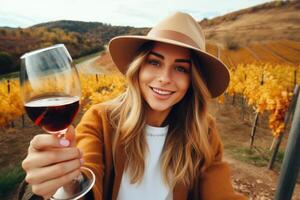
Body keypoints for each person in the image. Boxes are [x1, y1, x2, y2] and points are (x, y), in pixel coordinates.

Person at [19, 12, 247, 200]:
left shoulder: (204, 131)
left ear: (192, 80)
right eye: (155, 62)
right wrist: (68, 183)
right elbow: (89, 174)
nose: (165, 78)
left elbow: (221, 194)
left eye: (180, 68)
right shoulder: (101, 119)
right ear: (138, 68)